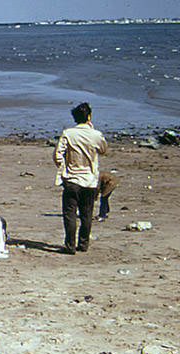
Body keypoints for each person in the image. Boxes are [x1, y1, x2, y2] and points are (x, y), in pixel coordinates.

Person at [54, 102, 107, 254]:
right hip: (89, 180)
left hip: (72, 178)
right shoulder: (96, 134)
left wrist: (63, 169)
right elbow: (103, 150)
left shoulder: (68, 133)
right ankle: (83, 244)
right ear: (89, 117)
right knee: (87, 214)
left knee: (69, 214)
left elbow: (58, 155)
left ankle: (70, 246)